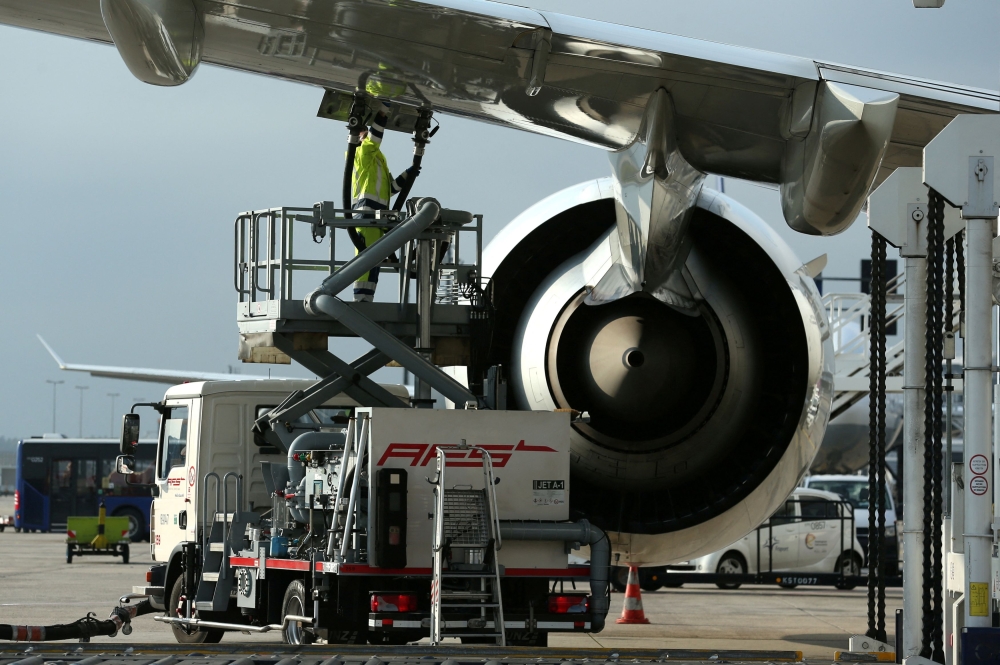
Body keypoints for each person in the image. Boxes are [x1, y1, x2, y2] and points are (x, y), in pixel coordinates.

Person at [350, 99, 420, 302]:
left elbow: (391, 189)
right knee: (367, 259)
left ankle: (366, 297)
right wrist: (382, 112)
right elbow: (373, 139)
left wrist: (410, 172)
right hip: (367, 214)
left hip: (379, 216)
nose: (364, 133)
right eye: (362, 132)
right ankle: (361, 299)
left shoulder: (377, 159)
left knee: (374, 259)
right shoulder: (361, 153)